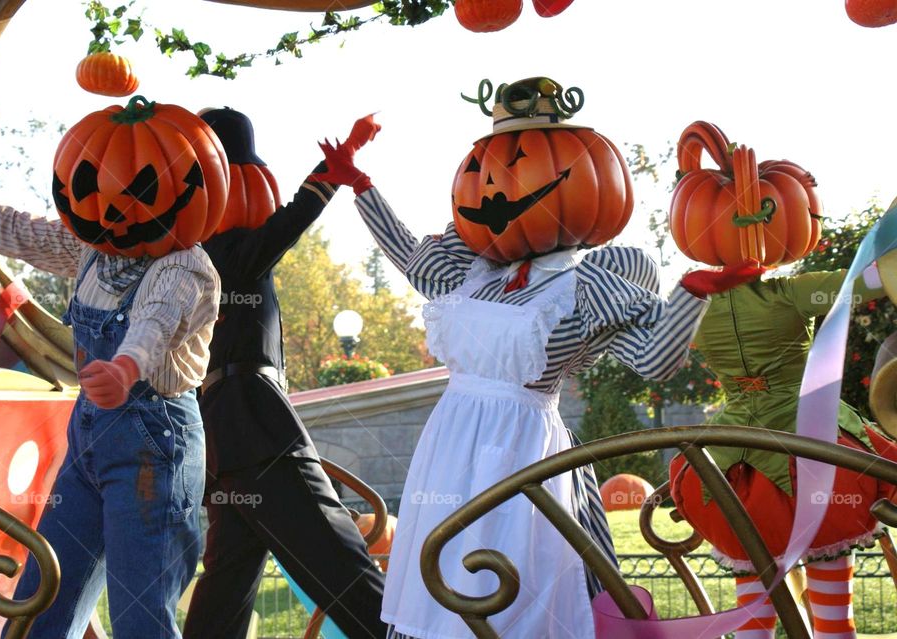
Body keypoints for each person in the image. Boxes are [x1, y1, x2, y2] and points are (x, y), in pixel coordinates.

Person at [313, 102, 761, 636]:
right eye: (482, 172)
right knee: (443, 573)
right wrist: (359, 184)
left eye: (524, 168)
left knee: (522, 582)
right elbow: (409, 255)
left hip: (525, 446)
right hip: (450, 445)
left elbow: (654, 360)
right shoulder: (473, 271)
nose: (496, 189)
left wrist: (692, 291)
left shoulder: (586, 284)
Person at [0, 178, 218, 635]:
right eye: (100, 186)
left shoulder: (186, 268)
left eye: (139, 192)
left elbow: (157, 320)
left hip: (153, 453)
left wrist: (125, 368)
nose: (116, 207)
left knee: (139, 621)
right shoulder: (93, 250)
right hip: (88, 446)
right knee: (39, 606)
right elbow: (19, 230)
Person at [182, 107, 387, 639]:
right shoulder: (223, 254)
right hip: (254, 424)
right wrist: (330, 178)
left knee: (228, 578)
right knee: (339, 560)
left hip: (227, 437)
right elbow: (283, 226)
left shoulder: (205, 253)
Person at [669, 267, 897, 639]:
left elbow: (656, 351)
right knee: (833, 613)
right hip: (815, 450)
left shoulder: (694, 306)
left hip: (731, 471)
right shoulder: (788, 293)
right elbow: (870, 280)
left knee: (752, 597)